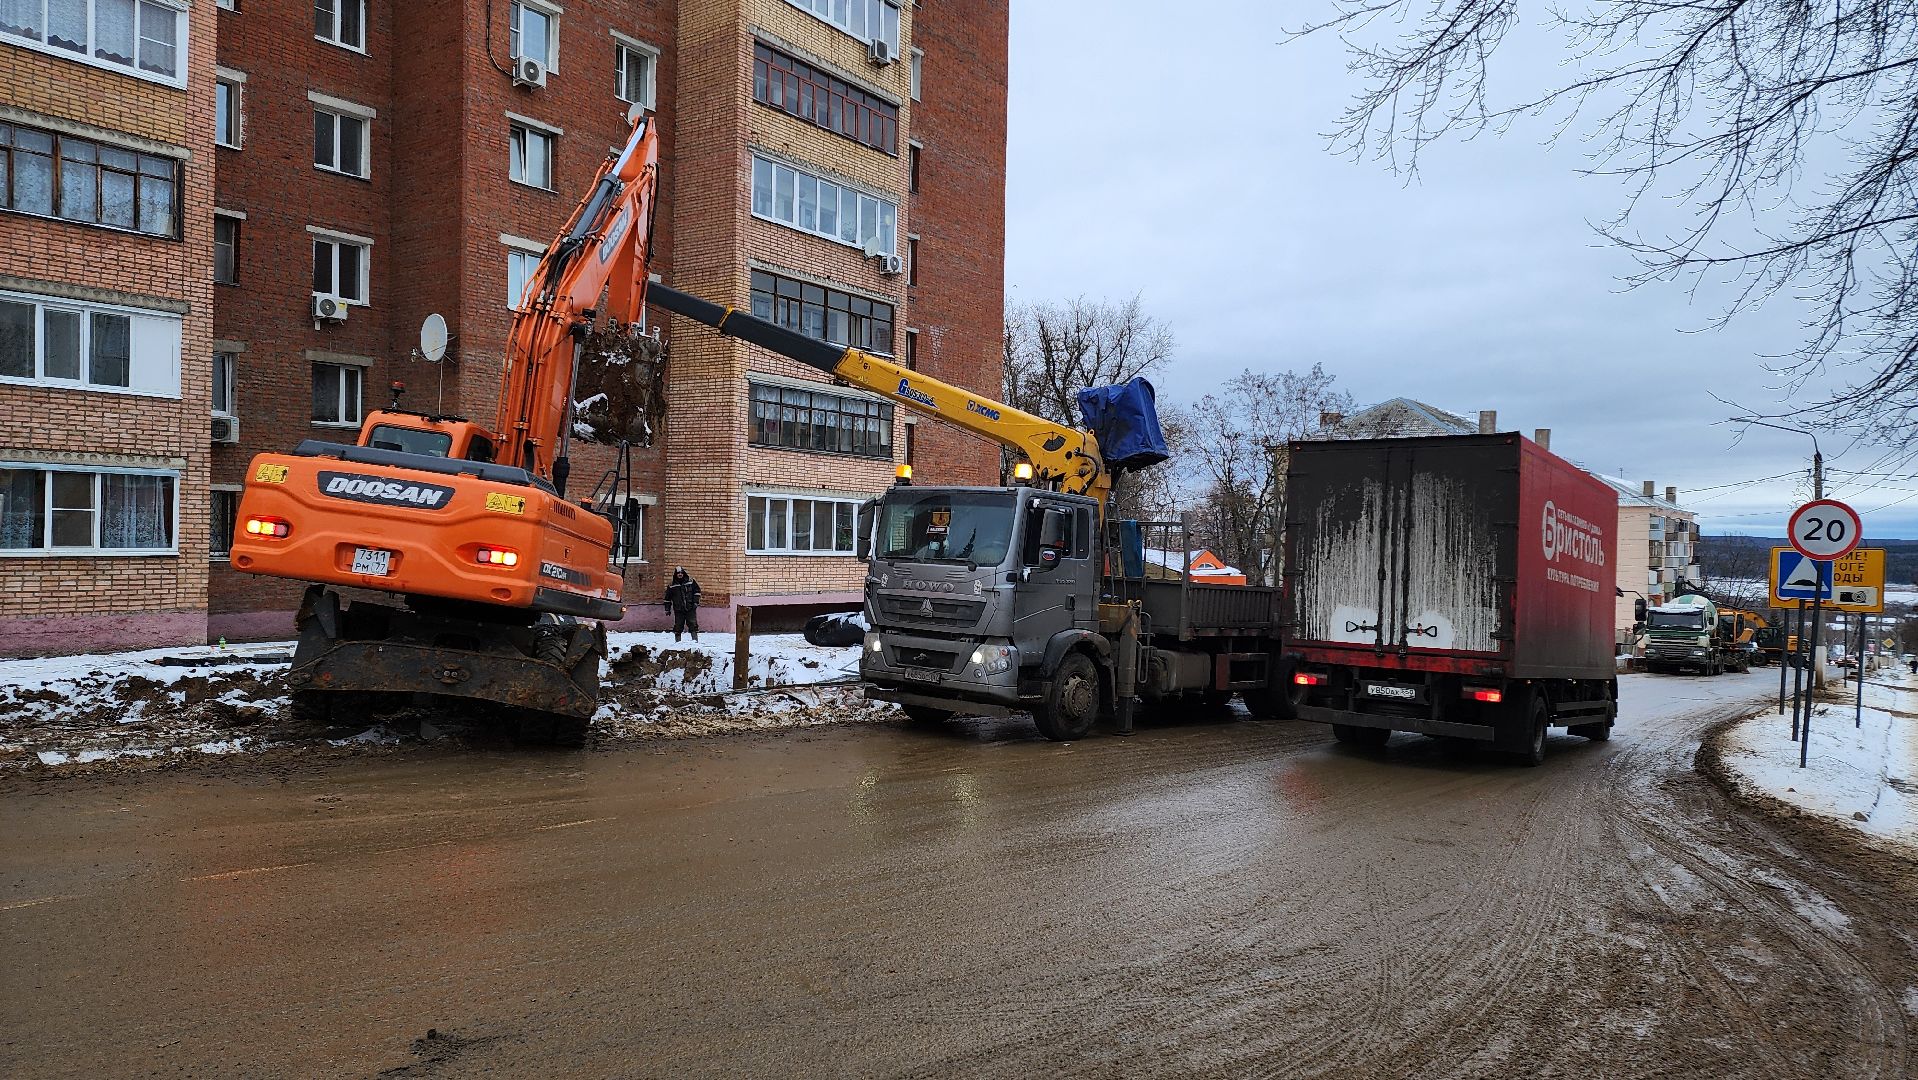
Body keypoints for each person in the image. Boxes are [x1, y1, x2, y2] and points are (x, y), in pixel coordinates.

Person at [663, 566, 702, 642]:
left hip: (690, 608)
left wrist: (695, 602)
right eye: (678, 573)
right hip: (678, 610)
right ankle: (678, 643)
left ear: (684, 573)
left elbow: (697, 592)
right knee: (678, 626)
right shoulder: (672, 585)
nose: (680, 574)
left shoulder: (691, 582)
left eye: (681, 573)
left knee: (693, 625)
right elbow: (667, 599)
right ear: (675, 574)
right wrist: (667, 609)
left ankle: (695, 641)